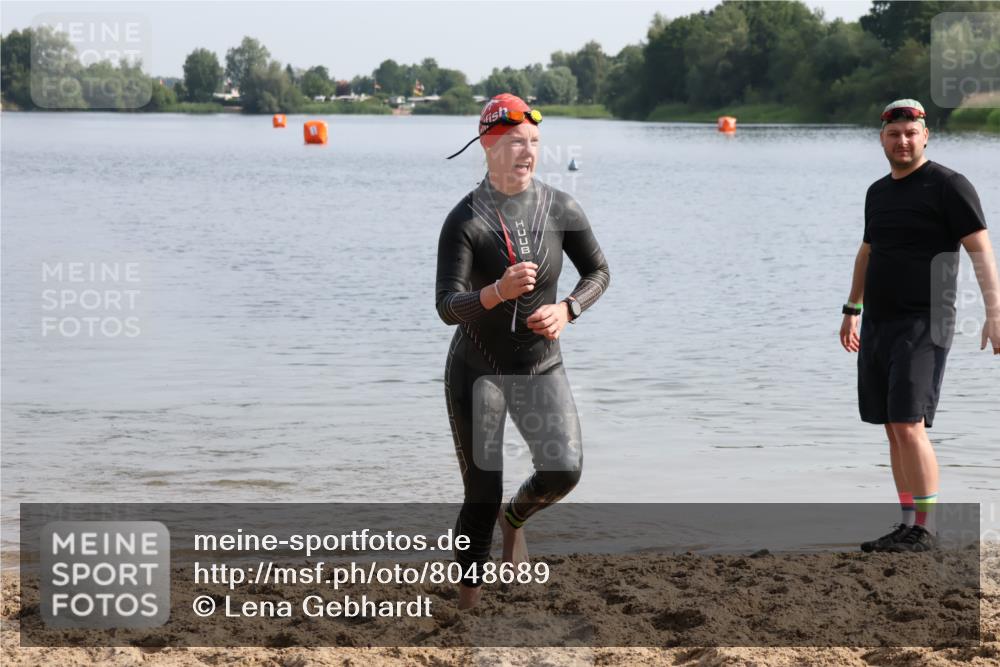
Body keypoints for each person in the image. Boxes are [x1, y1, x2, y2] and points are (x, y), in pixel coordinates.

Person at [436, 93, 610, 608]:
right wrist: (496, 293)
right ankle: (467, 607)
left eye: (534, 142)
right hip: (477, 369)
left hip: (540, 363)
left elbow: (599, 272)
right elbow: (447, 306)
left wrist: (568, 310)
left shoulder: (562, 207)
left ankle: (517, 518)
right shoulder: (464, 219)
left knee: (564, 470)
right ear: (489, 146)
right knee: (481, 495)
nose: (527, 151)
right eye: (516, 142)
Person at [839, 99, 999, 553]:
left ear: (925, 135)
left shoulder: (949, 186)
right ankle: (908, 522)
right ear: (882, 139)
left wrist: (995, 312)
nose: (903, 141)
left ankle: (926, 529)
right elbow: (867, 252)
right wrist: (853, 307)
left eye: (911, 133)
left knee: (910, 423)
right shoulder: (878, 192)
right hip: (879, 322)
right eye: (894, 135)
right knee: (892, 424)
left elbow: (981, 251)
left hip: (926, 320)